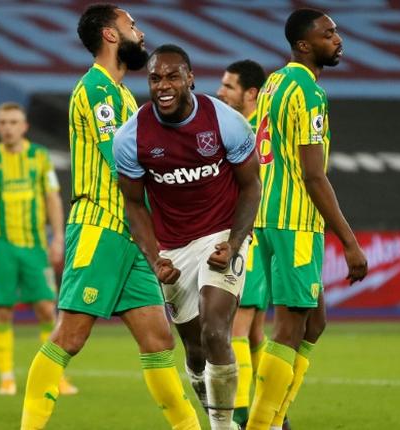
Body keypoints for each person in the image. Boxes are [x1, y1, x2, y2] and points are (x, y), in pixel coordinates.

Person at [20, 5, 200, 430]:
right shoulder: (97, 90)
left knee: (159, 339)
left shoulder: (121, 95)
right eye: (132, 25)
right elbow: (123, 159)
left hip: (132, 235)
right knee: (70, 337)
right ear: (111, 35)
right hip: (100, 224)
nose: (140, 32)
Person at [115, 44, 261, 430]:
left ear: (190, 79)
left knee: (216, 331)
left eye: (172, 76)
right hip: (173, 248)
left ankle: (222, 427)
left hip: (221, 234)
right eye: (155, 78)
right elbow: (134, 205)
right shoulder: (131, 137)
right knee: (196, 350)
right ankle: (213, 403)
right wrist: (154, 258)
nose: (163, 85)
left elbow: (251, 186)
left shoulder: (225, 122)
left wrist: (234, 242)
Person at [245, 9, 368, 430]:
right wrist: (350, 242)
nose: (337, 39)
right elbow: (313, 175)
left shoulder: (274, 81)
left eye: (336, 31)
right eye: (328, 34)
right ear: (303, 45)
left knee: (315, 321)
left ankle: (275, 418)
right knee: (290, 326)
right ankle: (264, 425)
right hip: (295, 219)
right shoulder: (310, 94)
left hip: (266, 215)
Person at [0, 102, 76, 397]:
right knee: (2, 311)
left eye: (14, 122)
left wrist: (57, 238)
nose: (8, 127)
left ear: (24, 126)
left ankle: (56, 377)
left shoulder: (39, 157)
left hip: (34, 244)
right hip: (0, 245)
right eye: (3, 122)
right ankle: (6, 377)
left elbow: (53, 198)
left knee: (46, 309)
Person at [216, 59, 271, 428]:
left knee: (237, 330)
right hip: (263, 237)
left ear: (250, 93)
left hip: (247, 238)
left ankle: (240, 419)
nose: (220, 91)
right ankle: (273, 412)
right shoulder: (264, 130)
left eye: (229, 86)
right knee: (254, 333)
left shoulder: (243, 135)